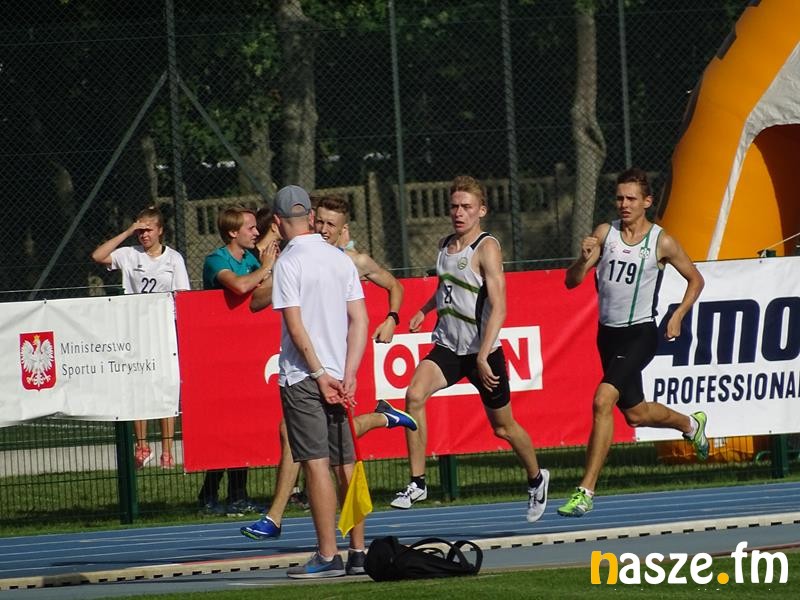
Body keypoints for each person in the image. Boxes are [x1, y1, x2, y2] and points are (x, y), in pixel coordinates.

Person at [241, 195, 415, 542]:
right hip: (317, 371)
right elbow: (257, 300)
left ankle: (325, 541)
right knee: (299, 439)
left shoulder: (350, 261)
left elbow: (393, 286)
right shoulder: (295, 260)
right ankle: (280, 517)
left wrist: (392, 318)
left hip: (332, 369)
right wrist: (276, 273)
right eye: (318, 221)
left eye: (330, 225)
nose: (322, 229)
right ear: (309, 219)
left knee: (329, 457)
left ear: (344, 230)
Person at [392, 175, 549, 523]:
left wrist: (482, 354)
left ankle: (537, 478)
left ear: (482, 210)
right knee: (413, 395)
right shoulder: (445, 245)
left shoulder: (487, 247)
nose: (459, 213)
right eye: (454, 206)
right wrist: (424, 310)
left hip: (483, 354)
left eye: (466, 207)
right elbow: (447, 287)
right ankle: (418, 482)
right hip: (449, 348)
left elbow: (500, 307)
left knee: (503, 427)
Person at [557, 167, 707, 518]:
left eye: (631, 199)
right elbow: (571, 282)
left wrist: (678, 314)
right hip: (607, 336)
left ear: (647, 202)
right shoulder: (605, 234)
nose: (624, 204)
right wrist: (582, 258)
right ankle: (690, 424)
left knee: (602, 400)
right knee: (636, 415)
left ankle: (585, 491)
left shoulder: (661, 242)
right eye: (619, 198)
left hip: (640, 334)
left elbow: (696, 280)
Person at [268, 184, 368, 578]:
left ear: (278, 222)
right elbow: (360, 320)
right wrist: (349, 373)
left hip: (304, 376)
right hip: (339, 375)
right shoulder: (340, 259)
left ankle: (328, 554)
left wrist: (319, 374)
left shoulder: (288, 263)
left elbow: (295, 327)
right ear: (310, 217)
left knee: (316, 464)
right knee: (346, 463)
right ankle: (358, 551)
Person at [91, 206, 190, 470]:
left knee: (165, 387)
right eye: (141, 230)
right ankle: (142, 446)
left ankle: (167, 451)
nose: (144, 235)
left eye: (148, 230)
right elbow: (98, 256)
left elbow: (182, 296)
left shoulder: (173, 259)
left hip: (162, 331)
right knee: (138, 386)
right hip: (135, 330)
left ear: (160, 231)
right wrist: (128, 231)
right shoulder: (129, 254)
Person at [197, 206, 277, 516]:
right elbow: (241, 286)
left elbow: (263, 290)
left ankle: (235, 495)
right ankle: (209, 494)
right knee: (224, 425)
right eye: (250, 228)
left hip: (244, 350)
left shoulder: (251, 260)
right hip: (217, 352)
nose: (256, 232)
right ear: (233, 232)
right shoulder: (216, 260)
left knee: (241, 424)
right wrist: (267, 267)